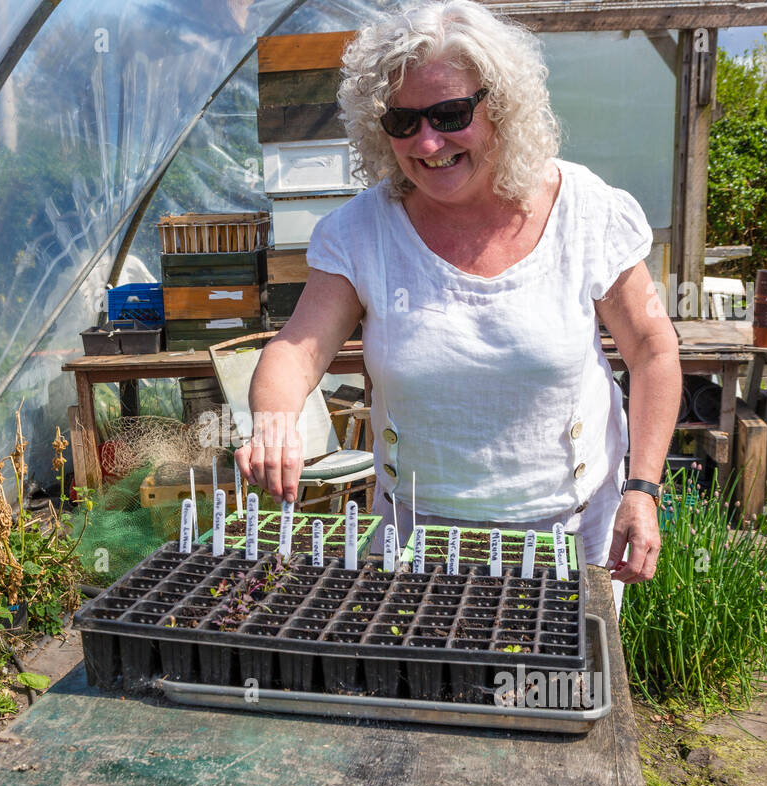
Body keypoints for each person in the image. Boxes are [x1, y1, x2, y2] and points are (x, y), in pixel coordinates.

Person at [234, 0, 682, 610]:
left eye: (450, 113)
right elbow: (295, 350)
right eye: (403, 122)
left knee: (557, 695)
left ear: (500, 105)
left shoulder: (587, 213)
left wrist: (643, 488)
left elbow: (653, 349)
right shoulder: (363, 232)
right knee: (422, 695)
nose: (428, 141)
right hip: (417, 542)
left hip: (570, 538)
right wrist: (274, 420)